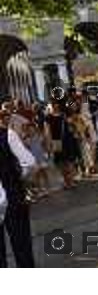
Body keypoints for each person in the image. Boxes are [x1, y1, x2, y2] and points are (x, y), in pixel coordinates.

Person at [0, 108, 37, 268]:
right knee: (21, 244)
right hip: (12, 193)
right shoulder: (7, 134)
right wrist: (18, 174)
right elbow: (29, 161)